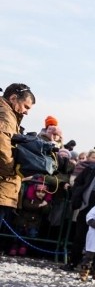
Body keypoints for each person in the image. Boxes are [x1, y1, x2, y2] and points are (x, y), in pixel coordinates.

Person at [0, 83, 36, 227]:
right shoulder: (5, 116)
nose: (26, 112)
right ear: (14, 98)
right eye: (26, 107)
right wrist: (13, 171)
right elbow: (2, 147)